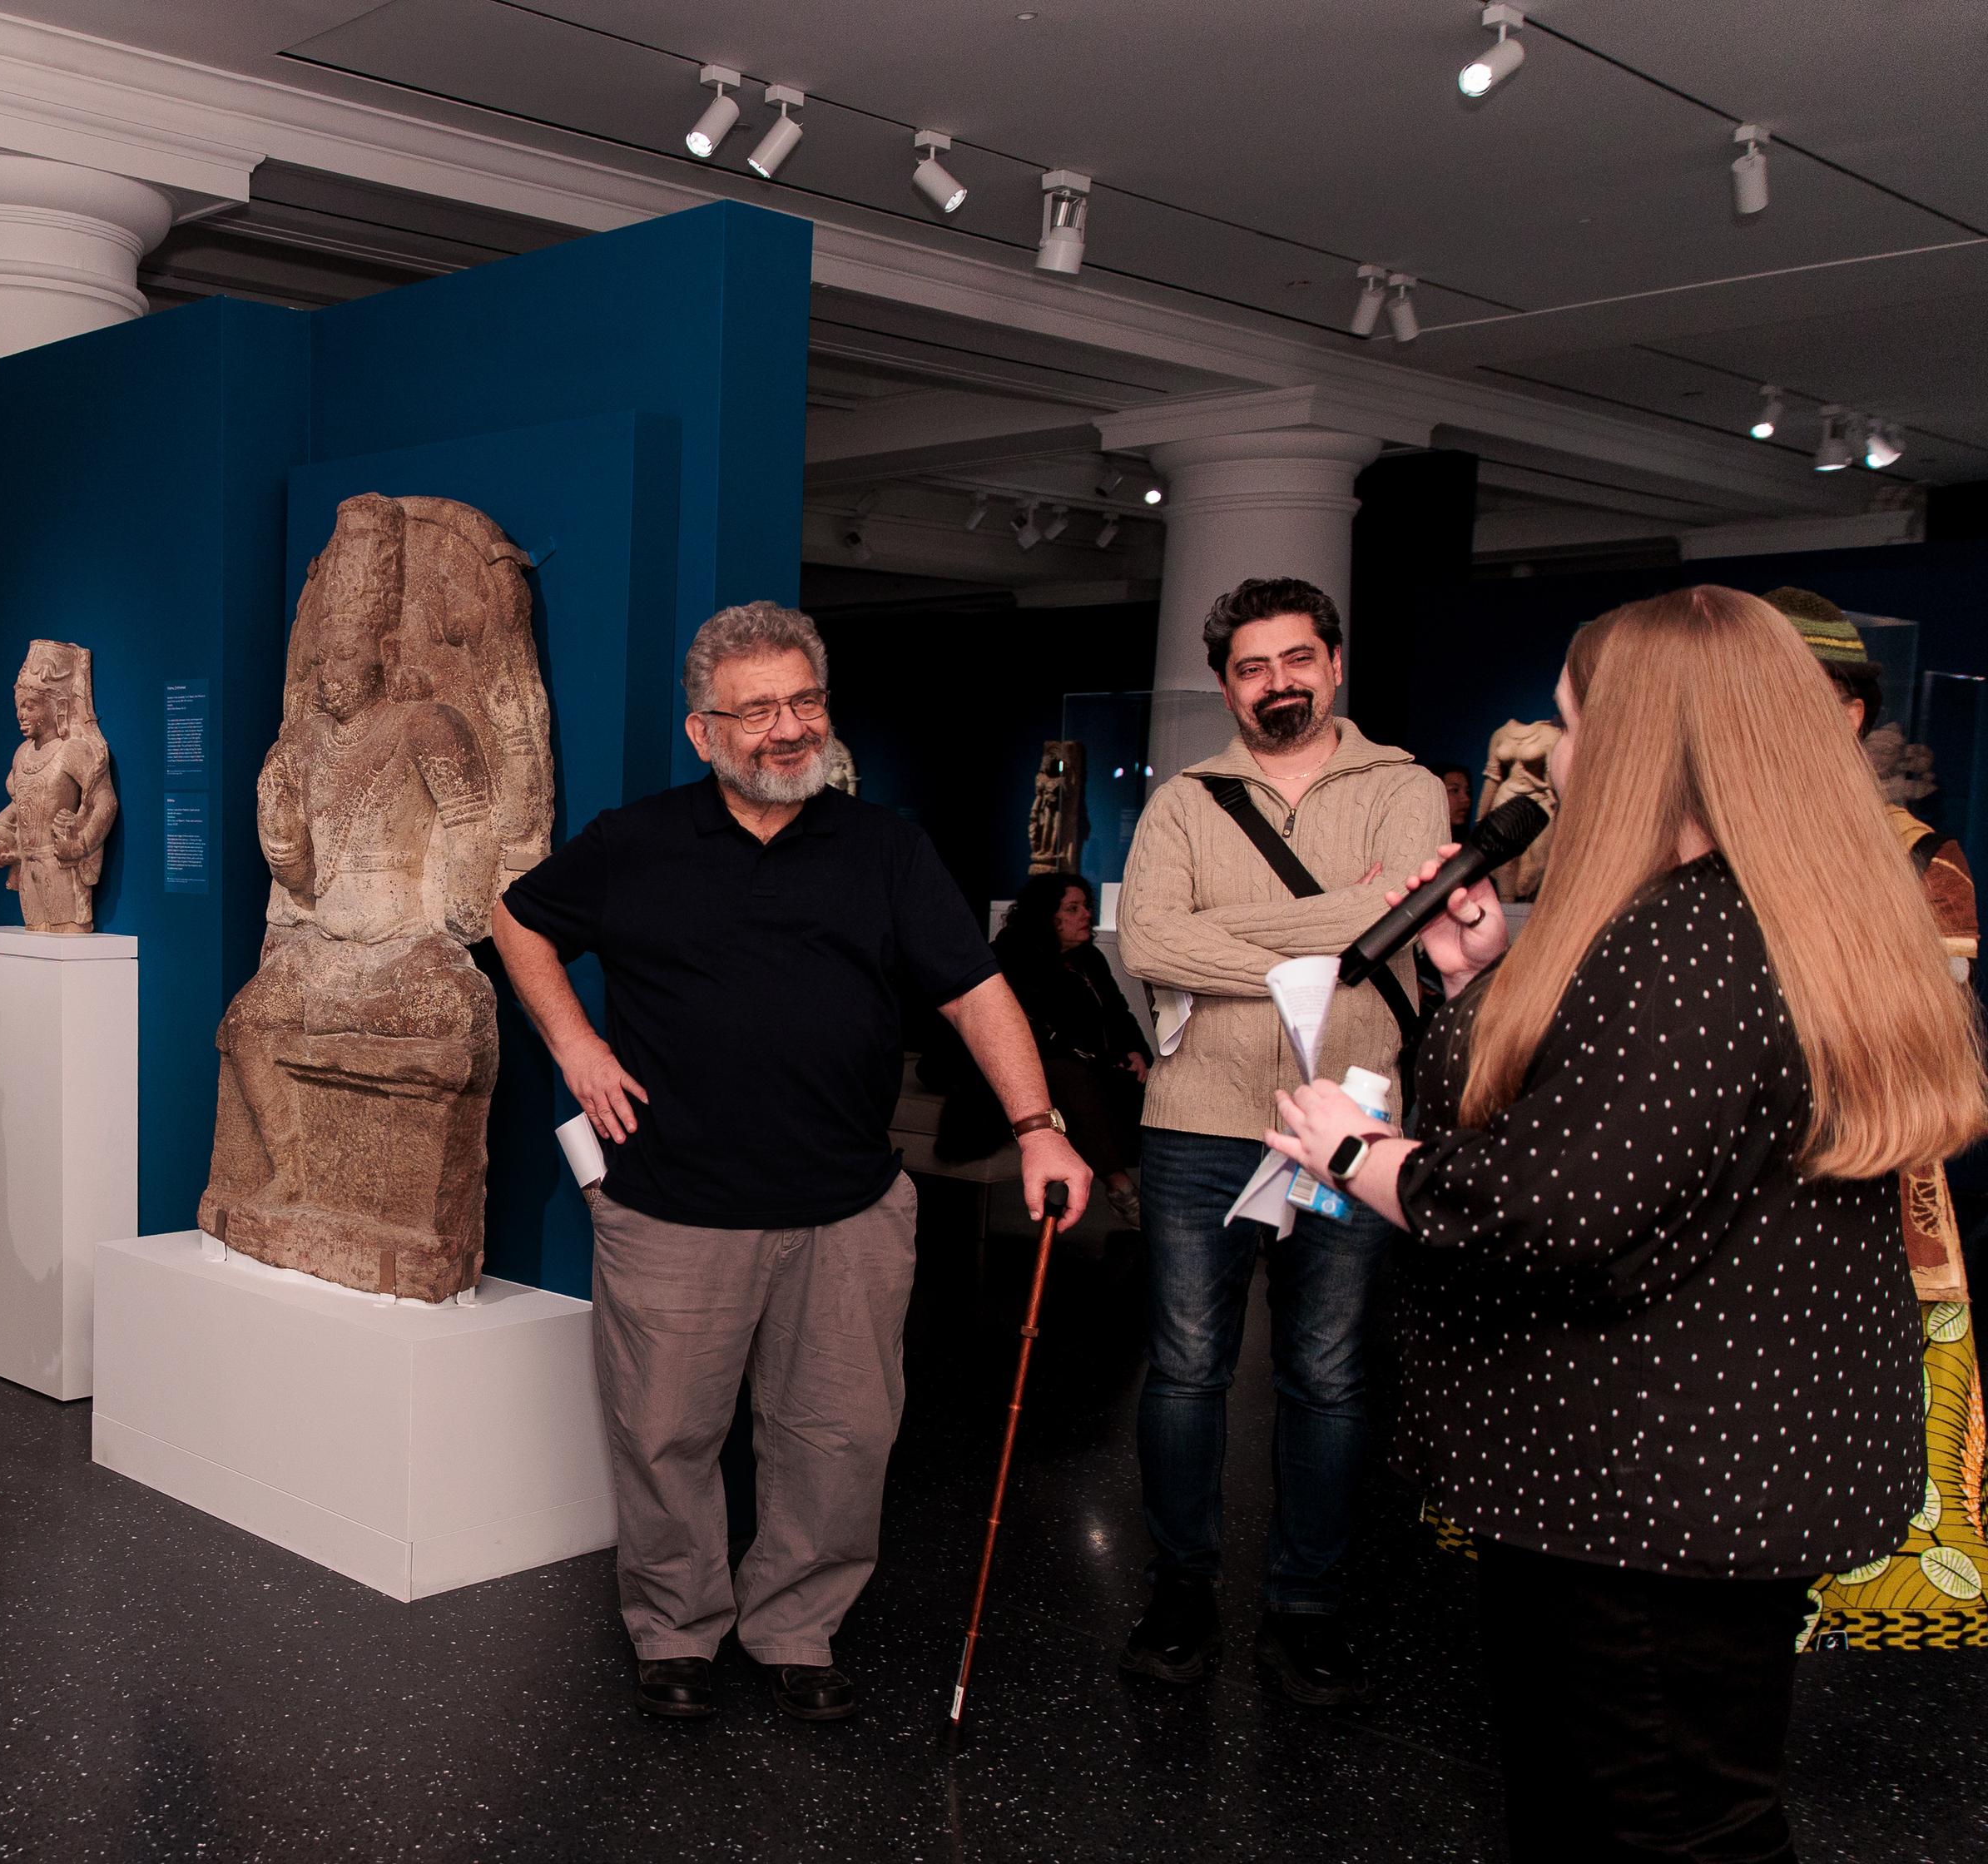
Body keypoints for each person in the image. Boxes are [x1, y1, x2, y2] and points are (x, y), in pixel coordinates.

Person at [1262, 584, 1986, 1864]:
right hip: (1626, 1459)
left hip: (1666, 1475)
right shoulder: (1777, 913)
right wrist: (1472, 981)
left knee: (1701, 1854)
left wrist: (1358, 1152)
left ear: (1651, 740)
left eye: (1577, 725)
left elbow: (1545, 1213)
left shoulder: (1690, 943)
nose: (1556, 757)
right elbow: (1566, 1128)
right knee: (1569, 1791)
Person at [494, 601, 1091, 1724]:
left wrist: (1039, 1125)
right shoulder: (636, 843)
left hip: (848, 1210)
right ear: (702, 730)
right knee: (667, 1434)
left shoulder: (885, 848)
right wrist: (577, 1045)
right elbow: (516, 919)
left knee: (843, 1437)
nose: (786, 728)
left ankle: (796, 1625)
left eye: (804, 701)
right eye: (757, 707)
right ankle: (674, 1627)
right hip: (673, 1209)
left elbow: (974, 992)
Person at [1113, 577, 1448, 1705]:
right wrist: (1337, 923)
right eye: (1252, 668)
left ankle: (1307, 1608)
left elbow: (1395, 917)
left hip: (1352, 1129)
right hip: (1198, 1122)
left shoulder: (1403, 788)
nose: (1278, 683)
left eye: (1296, 659)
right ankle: (1179, 1590)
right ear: (1225, 685)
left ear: (1335, 663)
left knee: (1330, 1376)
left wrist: (1234, 935)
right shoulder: (1181, 802)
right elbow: (1149, 940)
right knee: (1186, 1369)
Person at [1765, 586, 1988, 1648]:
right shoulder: (1686, 839)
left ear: (1849, 711)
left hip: (1865, 1183)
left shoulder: (1920, 856)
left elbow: (1932, 1045)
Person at [993, 870, 1150, 1221]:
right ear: (1047, 914)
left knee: (1151, 1082)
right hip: (1035, 1067)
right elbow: (1029, 1032)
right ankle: (1123, 1190)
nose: (1086, 916)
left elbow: (1118, 1013)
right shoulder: (1012, 955)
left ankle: (1168, 1197)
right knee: (1073, 1080)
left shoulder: (1089, 958)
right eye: (1073, 908)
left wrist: (1135, 1052)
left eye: (1086, 907)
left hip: (1095, 1062)